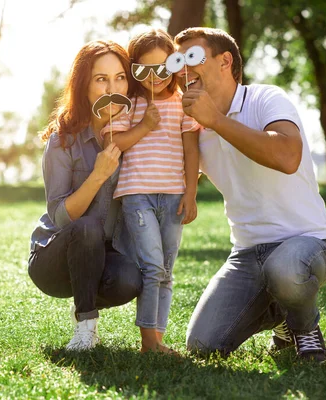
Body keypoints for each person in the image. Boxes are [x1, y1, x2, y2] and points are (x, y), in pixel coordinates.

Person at [173, 27, 326, 362]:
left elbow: (287, 156)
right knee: (202, 346)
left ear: (225, 61)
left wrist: (217, 121)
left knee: (285, 269)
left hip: (308, 244)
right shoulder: (193, 130)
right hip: (247, 255)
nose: (183, 70)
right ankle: (280, 319)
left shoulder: (266, 98)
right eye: (177, 62)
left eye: (192, 58)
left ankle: (304, 329)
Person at [28, 40, 142, 351]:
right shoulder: (63, 140)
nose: (111, 87)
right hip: (55, 257)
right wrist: (98, 176)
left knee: (130, 279)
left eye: (119, 77)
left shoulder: (138, 133)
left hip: (104, 254)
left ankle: (85, 295)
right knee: (88, 226)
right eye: (101, 79)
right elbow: (63, 217)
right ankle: (85, 327)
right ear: (84, 85)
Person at [101, 29, 201, 353]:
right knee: (153, 266)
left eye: (162, 69)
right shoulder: (127, 104)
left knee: (166, 272)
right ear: (134, 70)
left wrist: (191, 192)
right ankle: (148, 343)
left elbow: (191, 149)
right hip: (137, 193)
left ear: (173, 65)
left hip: (173, 195)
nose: (154, 78)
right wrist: (144, 126)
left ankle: (156, 339)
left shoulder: (182, 103)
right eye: (144, 70)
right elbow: (114, 143)